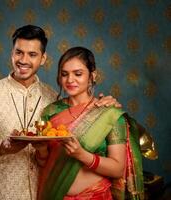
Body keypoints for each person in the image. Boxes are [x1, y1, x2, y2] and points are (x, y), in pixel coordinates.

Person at [0, 25, 121, 200]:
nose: (23, 60)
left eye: (32, 54)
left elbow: (80, 112)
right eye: (18, 52)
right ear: (11, 53)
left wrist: (102, 103)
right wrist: (2, 147)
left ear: (43, 58)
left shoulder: (52, 98)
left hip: (44, 193)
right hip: (0, 193)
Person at [37, 46, 144, 200]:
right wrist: (41, 150)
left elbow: (118, 169)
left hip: (96, 196)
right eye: (64, 74)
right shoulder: (50, 112)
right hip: (55, 195)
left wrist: (82, 155)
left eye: (78, 74)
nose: (70, 80)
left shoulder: (108, 113)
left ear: (92, 76)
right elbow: (43, 164)